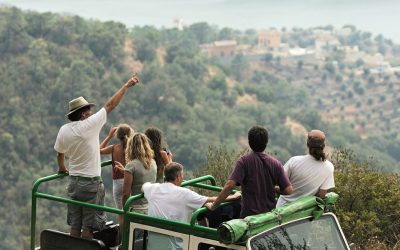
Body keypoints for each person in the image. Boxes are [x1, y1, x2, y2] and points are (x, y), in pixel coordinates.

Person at [54, 74, 139, 239]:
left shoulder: (64, 129)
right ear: (84, 114)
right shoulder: (90, 125)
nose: (91, 113)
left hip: (73, 182)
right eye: (88, 110)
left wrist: (62, 168)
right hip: (90, 184)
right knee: (88, 226)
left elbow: (60, 153)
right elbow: (110, 105)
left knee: (75, 224)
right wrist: (126, 85)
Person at [142, 162, 241, 250]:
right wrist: (234, 196)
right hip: (177, 246)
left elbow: (143, 187)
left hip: (153, 245)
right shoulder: (185, 194)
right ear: (178, 177)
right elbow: (213, 199)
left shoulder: (153, 189)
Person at [208, 125, 293, 218]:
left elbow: (230, 185)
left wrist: (214, 205)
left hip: (249, 219)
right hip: (269, 218)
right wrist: (275, 189)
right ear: (266, 143)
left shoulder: (244, 162)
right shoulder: (276, 164)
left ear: (249, 142)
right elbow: (288, 190)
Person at [276, 130, 335, 207]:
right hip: (304, 214)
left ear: (307, 144)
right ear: (323, 146)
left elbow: (279, 182)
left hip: (282, 211)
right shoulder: (329, 167)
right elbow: (321, 195)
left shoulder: (294, 161)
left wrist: (275, 189)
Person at [99, 124, 133, 242]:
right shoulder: (132, 149)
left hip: (118, 183)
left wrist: (108, 136)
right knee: (131, 213)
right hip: (130, 181)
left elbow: (98, 150)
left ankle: (121, 243)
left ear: (117, 136)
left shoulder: (114, 148)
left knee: (121, 216)